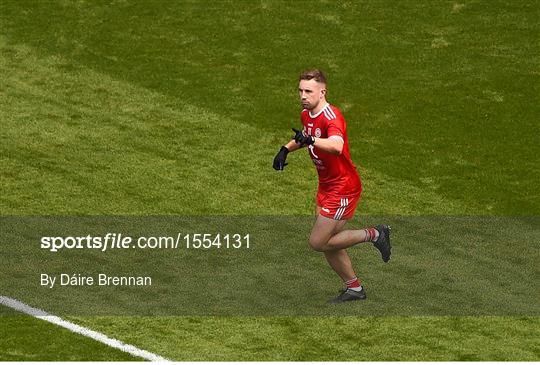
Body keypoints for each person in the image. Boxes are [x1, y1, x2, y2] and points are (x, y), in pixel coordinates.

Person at [273, 69, 392, 303]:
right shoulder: (307, 114)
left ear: (322, 92)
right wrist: (286, 148)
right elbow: (307, 136)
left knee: (318, 241)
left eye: (308, 91)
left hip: (343, 188)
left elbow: (336, 145)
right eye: (300, 91)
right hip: (326, 186)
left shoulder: (332, 116)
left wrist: (310, 140)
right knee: (330, 243)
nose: (303, 96)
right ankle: (354, 288)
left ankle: (376, 234)